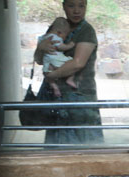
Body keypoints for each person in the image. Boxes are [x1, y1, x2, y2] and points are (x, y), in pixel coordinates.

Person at [34, 0, 103, 144]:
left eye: (81, 6)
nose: (77, 11)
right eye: (71, 5)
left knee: (84, 148)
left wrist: (51, 76)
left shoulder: (86, 31)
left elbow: (78, 63)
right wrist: (41, 48)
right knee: (57, 147)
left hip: (80, 96)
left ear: (86, 6)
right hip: (57, 98)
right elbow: (40, 60)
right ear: (64, 6)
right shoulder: (58, 27)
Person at [38, 17, 78, 98]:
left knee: (49, 77)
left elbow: (38, 58)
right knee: (73, 62)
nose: (64, 38)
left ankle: (55, 87)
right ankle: (69, 79)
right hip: (56, 59)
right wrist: (70, 45)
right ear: (59, 33)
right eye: (65, 36)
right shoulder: (55, 37)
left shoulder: (43, 37)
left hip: (47, 61)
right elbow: (61, 47)